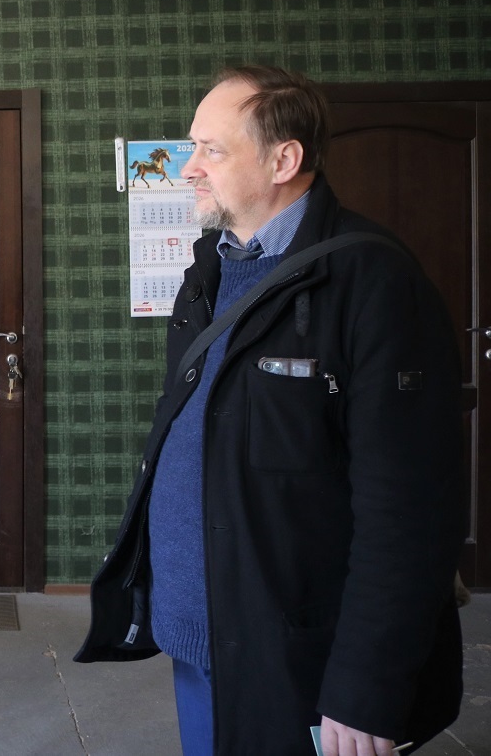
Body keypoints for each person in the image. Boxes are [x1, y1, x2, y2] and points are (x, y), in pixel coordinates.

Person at [75, 65, 464, 755]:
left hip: (299, 657)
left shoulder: (374, 282)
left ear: (284, 160)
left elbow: (408, 515)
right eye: (192, 146)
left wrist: (366, 687)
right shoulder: (209, 269)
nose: (189, 167)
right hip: (199, 636)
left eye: (212, 150)